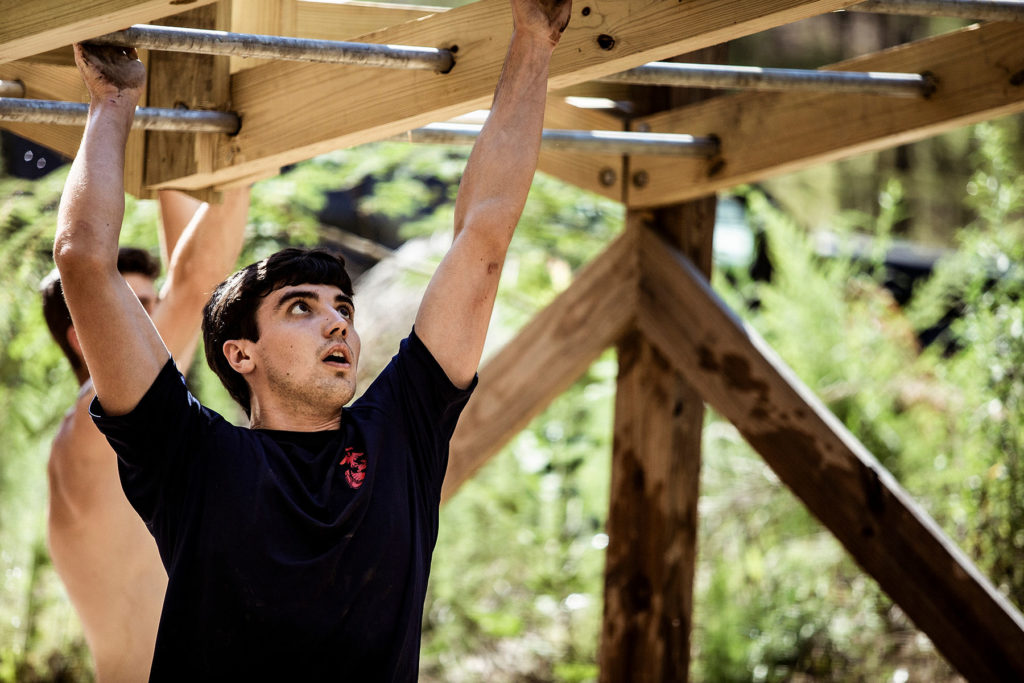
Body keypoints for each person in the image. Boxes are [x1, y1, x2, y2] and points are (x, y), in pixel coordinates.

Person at [53, 0, 571, 677]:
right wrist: (113, 102)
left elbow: (484, 236)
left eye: (343, 308)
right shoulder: (191, 459)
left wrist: (534, 36)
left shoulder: (401, 434)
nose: (338, 323)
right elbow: (83, 262)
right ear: (241, 353)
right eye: (301, 307)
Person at [43, 187, 249, 681]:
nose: (154, 323)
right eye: (136, 309)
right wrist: (242, 165)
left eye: (153, 307)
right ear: (81, 335)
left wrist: (174, 175)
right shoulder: (89, 435)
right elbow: (196, 290)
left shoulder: (134, 429)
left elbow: (193, 291)